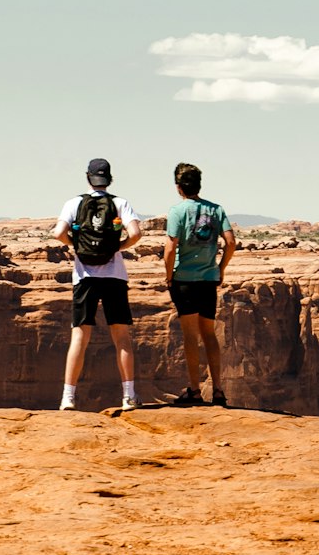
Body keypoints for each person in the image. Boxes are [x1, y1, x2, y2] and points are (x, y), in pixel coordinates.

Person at [52, 157, 143, 411]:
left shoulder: (74, 203)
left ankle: (67, 397)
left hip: (85, 278)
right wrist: (118, 247)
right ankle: (128, 396)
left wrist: (76, 246)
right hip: (114, 276)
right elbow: (136, 234)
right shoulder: (119, 203)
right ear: (109, 179)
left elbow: (58, 233)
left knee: (79, 336)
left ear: (88, 178)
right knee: (121, 337)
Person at [164, 161, 236, 407]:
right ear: (198, 184)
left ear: (178, 187)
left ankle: (194, 391)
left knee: (190, 336)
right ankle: (218, 391)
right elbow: (231, 242)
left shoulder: (177, 212)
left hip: (184, 280)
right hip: (208, 280)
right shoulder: (216, 210)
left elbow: (170, 248)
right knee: (209, 334)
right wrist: (220, 268)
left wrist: (168, 275)